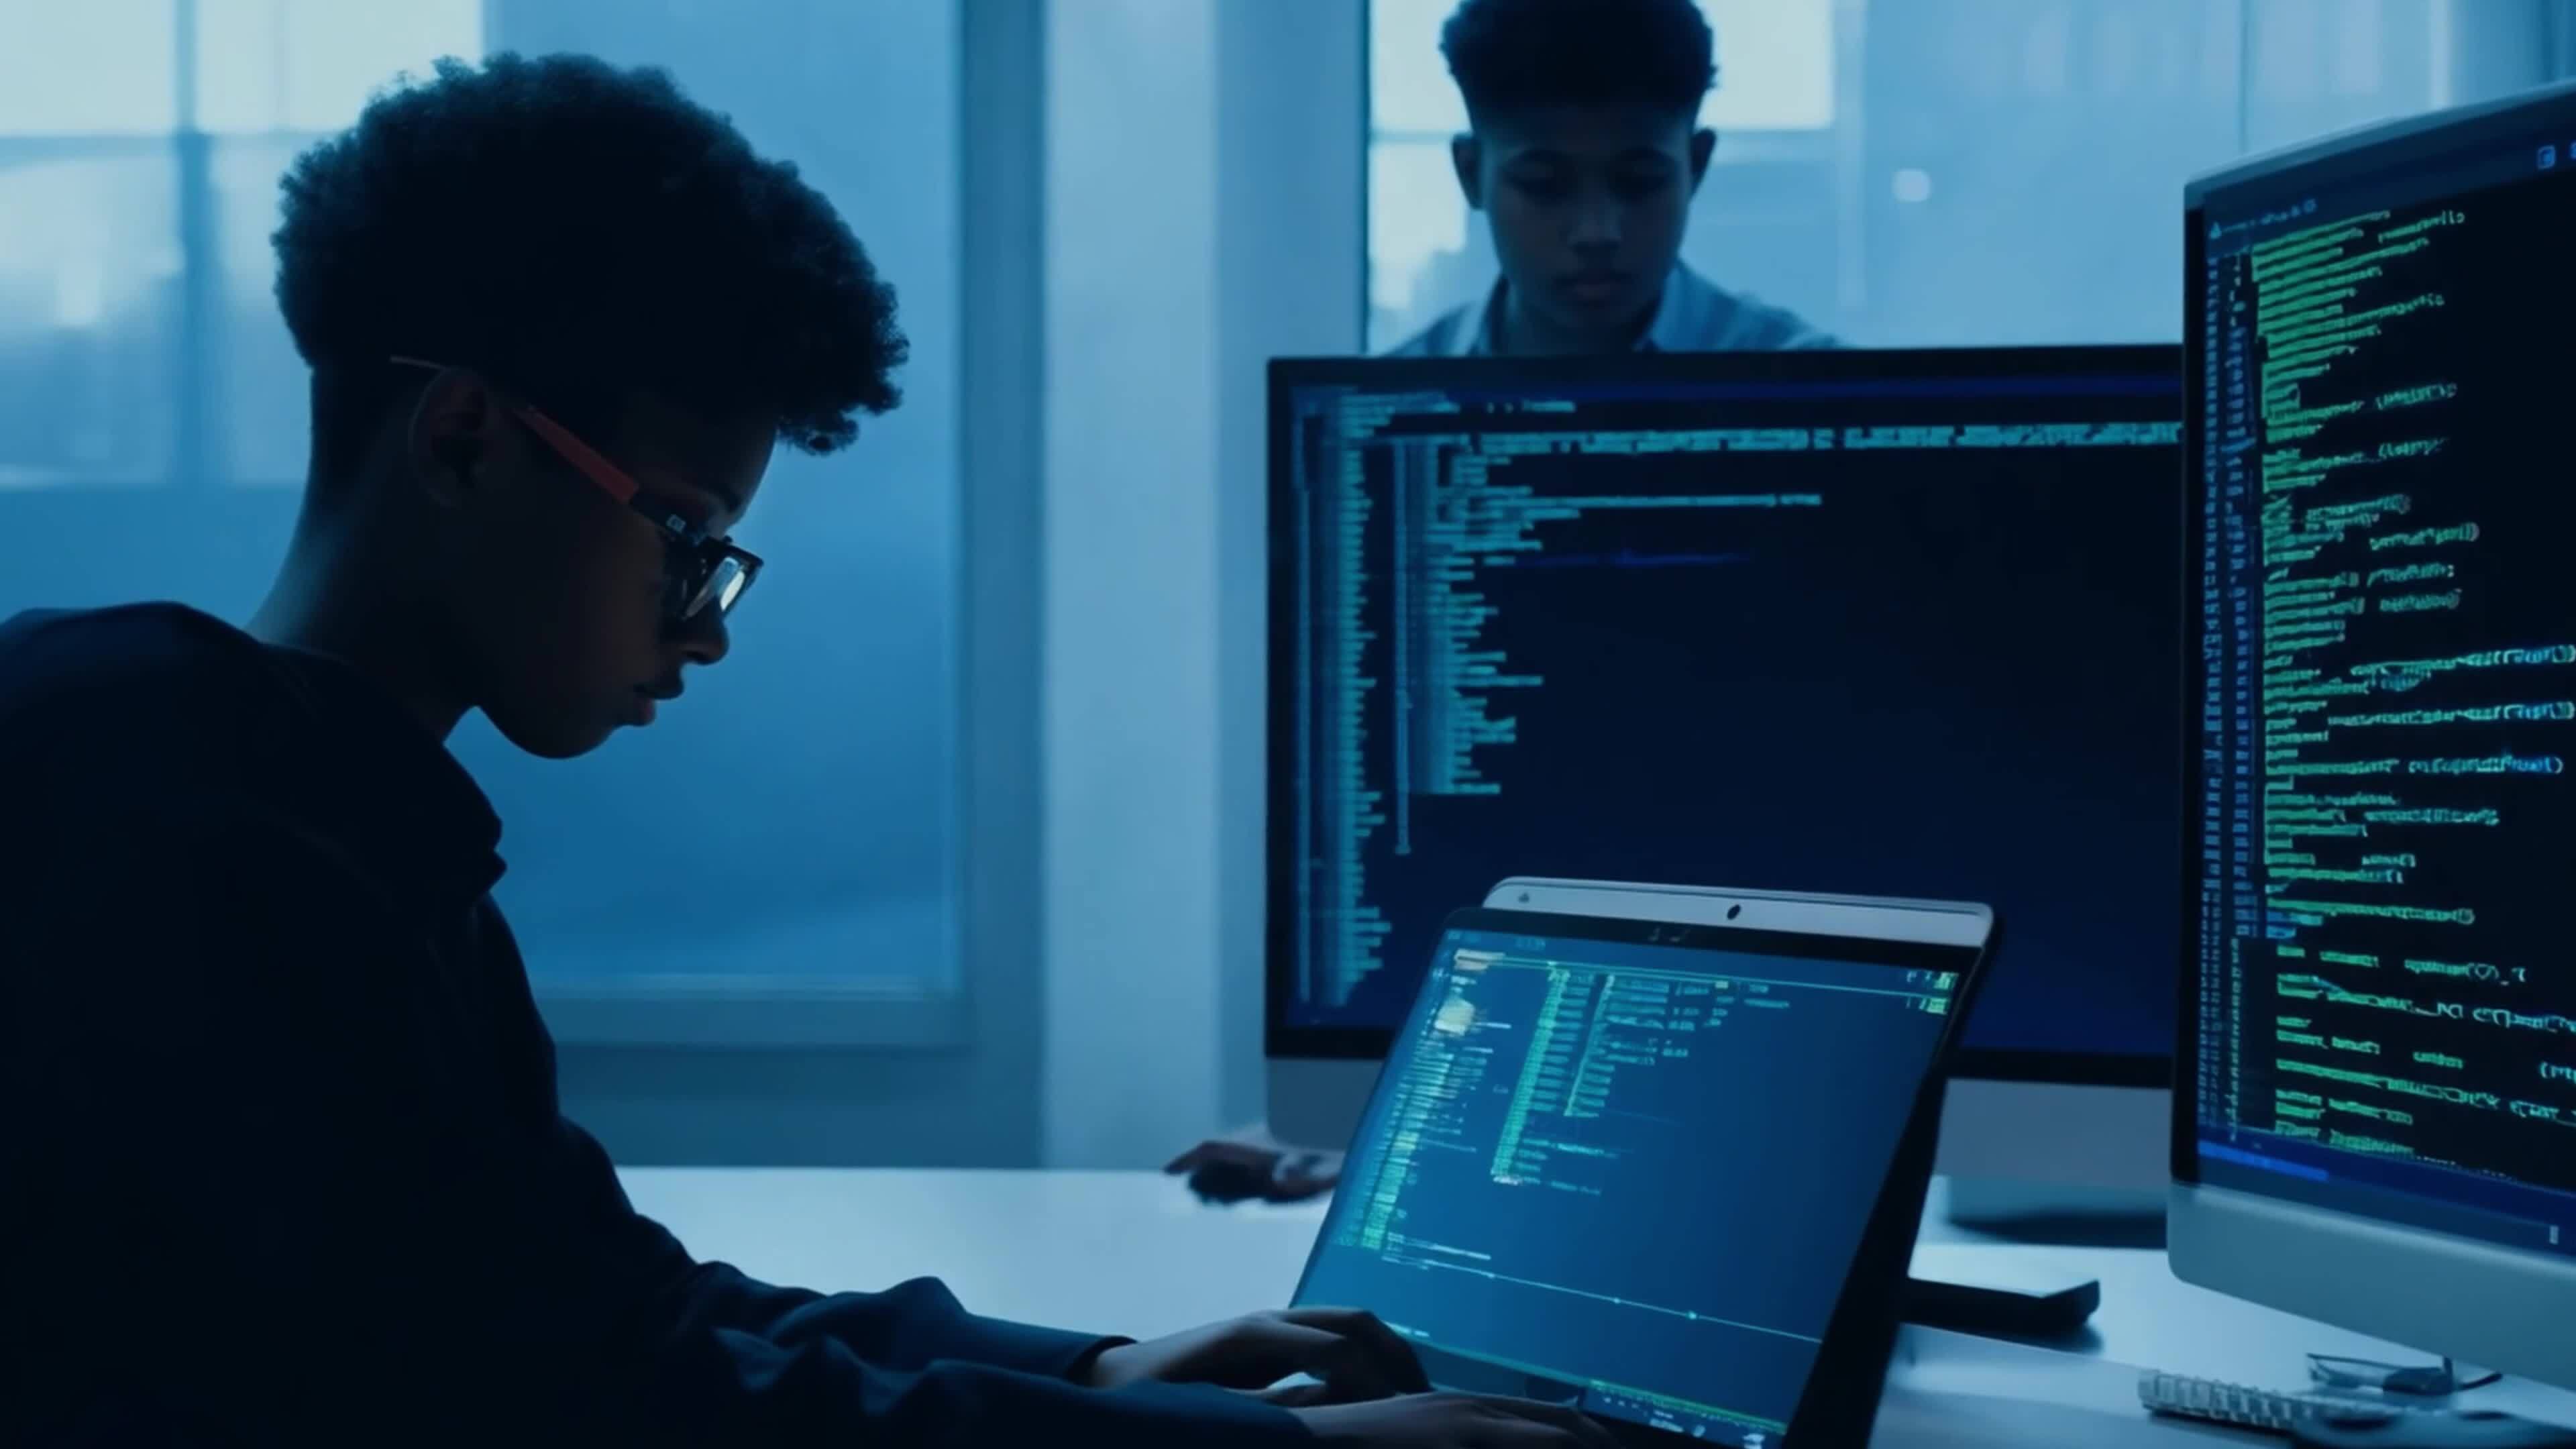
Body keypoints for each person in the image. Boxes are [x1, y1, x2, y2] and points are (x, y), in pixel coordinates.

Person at [0, 53, 1615, 1449]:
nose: (704, 630)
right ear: (468, 440)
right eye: (684, 541)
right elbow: (602, 1404)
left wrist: (1097, 1371)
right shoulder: (163, 823)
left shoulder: (348, 828)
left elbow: (607, 1304)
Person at [1391, 0, 1835, 356]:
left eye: (1641, 182)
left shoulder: (1817, 397)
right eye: (1543, 185)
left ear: (1696, 165)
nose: (1597, 233)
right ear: (1470, 173)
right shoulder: (1388, 406)